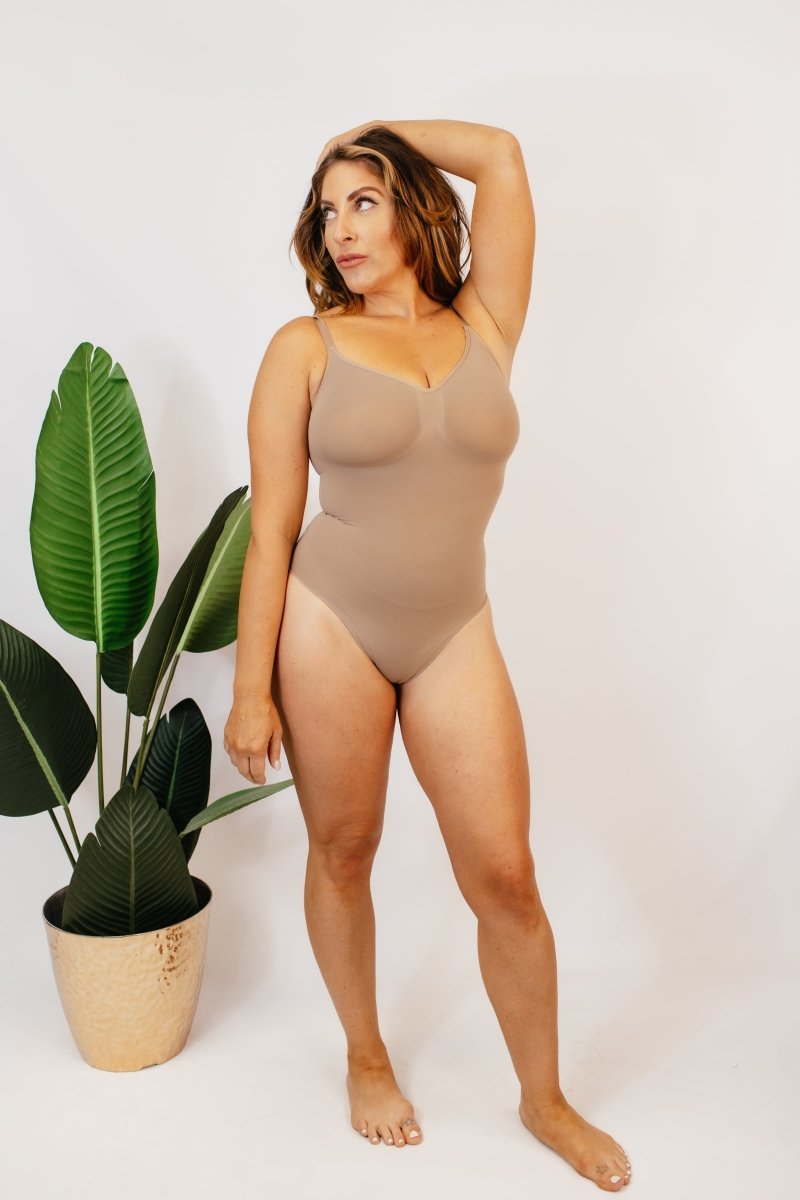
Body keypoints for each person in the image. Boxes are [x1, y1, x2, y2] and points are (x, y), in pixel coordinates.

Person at [224, 119, 632, 1191]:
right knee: (344, 848)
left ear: (414, 205)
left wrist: (370, 135)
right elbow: (271, 531)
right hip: (330, 620)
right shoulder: (304, 346)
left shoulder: (486, 323)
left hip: (456, 626)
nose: (341, 229)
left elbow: (500, 155)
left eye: (363, 201)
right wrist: (251, 688)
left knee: (506, 876)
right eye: (326, 211)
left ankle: (543, 1099)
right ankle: (365, 1056)